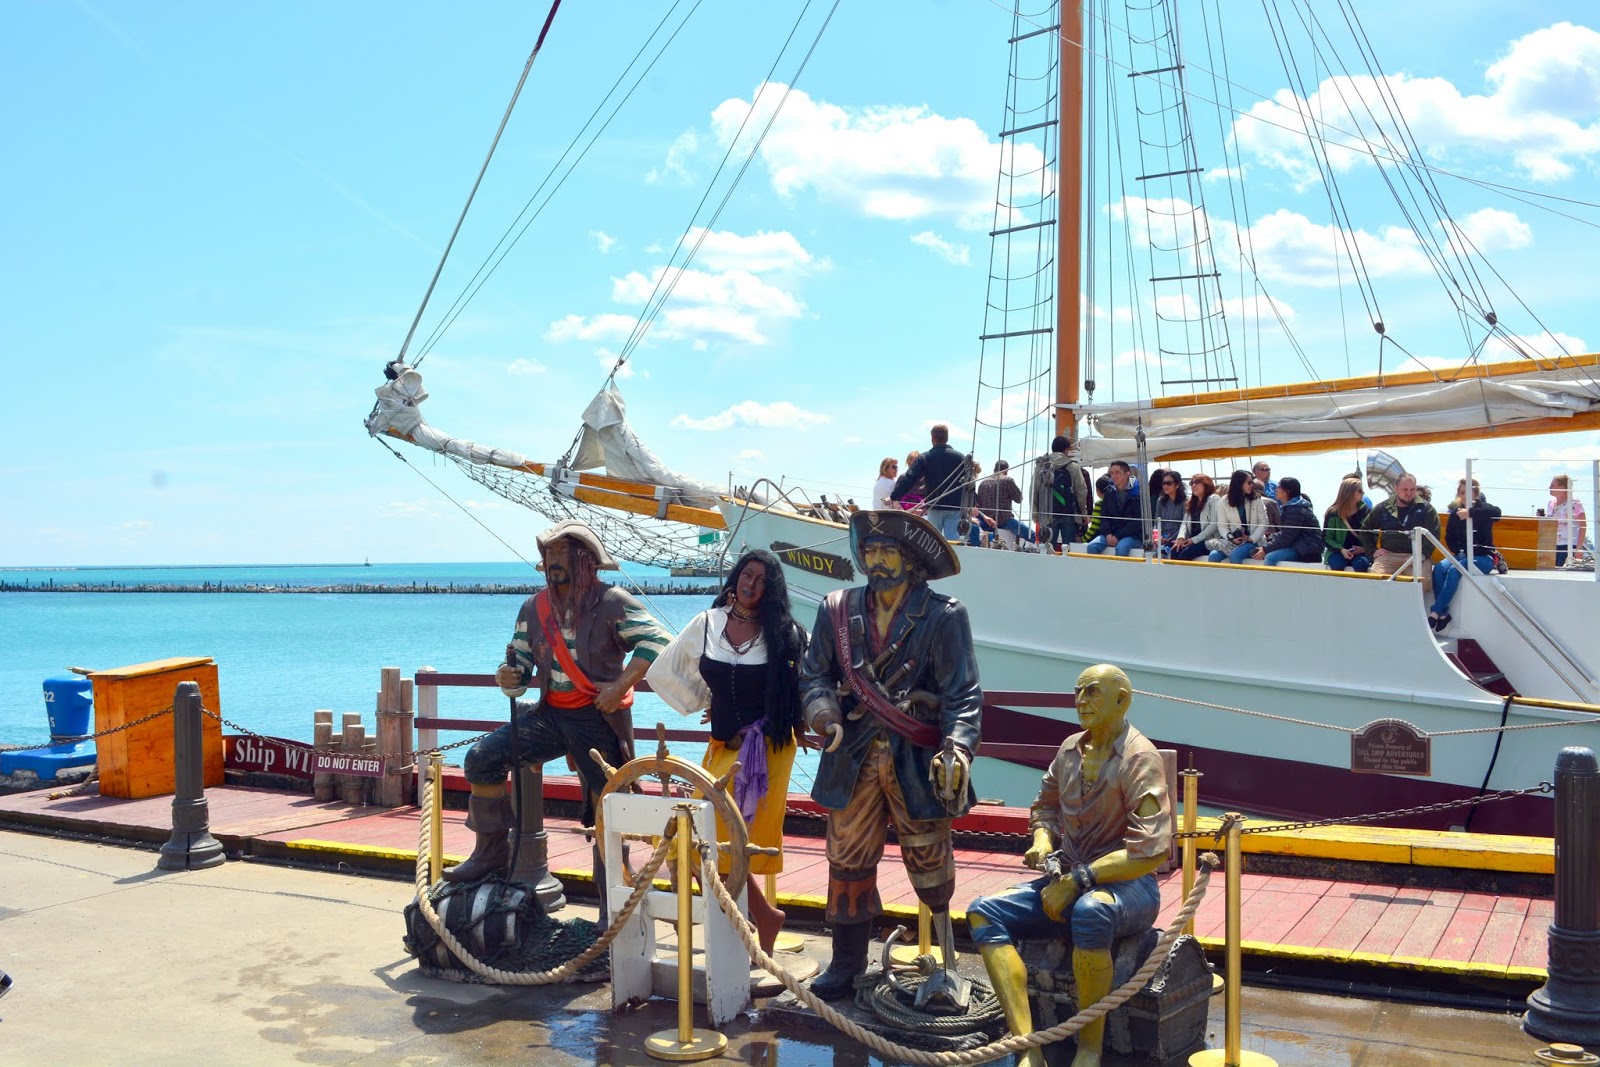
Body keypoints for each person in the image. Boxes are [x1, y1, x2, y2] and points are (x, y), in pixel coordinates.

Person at [799, 509, 982, 1001]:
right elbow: (813, 674)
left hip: (917, 761)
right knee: (847, 859)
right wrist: (823, 715)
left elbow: (962, 694)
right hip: (851, 754)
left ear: (911, 560)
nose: (875, 562)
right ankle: (846, 964)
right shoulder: (835, 608)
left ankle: (947, 965)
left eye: (888, 552)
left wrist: (957, 749)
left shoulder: (944, 615)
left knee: (930, 861)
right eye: (870, 552)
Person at [447, 521, 670, 898]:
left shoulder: (613, 602)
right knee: (481, 759)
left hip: (598, 717)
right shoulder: (534, 608)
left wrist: (620, 687)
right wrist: (509, 676)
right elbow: (520, 661)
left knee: (608, 807)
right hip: (550, 714)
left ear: (586, 560)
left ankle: (611, 899)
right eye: (549, 554)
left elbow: (661, 642)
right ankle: (490, 852)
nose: (553, 562)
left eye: (562, 553)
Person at [967, 664, 1171, 1067]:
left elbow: (1150, 851)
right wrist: (1042, 840)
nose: (1081, 701)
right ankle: (1027, 1045)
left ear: (1121, 699)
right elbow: (1044, 807)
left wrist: (1079, 879)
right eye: (1078, 692)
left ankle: (1089, 1048)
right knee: (983, 912)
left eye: (1093, 692)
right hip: (1070, 876)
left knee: (1091, 913)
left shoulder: (1139, 758)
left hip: (1129, 888)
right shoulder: (1069, 750)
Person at [647, 549, 807, 953]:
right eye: (747, 575)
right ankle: (761, 919)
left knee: (728, 840)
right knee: (701, 837)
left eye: (762, 580)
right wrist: (707, 700)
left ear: (771, 591)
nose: (751, 585)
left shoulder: (785, 633)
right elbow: (665, 670)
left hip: (767, 750)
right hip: (723, 748)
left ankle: (749, 927)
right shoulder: (707, 623)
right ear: (736, 577)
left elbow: (801, 688)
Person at [1428, 479, 1501, 632]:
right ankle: (1444, 614)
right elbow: (1449, 537)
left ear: (1476, 493)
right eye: (1462, 493)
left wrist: (1470, 513)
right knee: (1440, 568)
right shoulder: (1456, 513)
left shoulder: (1483, 509)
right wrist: (1460, 551)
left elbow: (1497, 513)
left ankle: (1435, 611)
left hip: (1483, 557)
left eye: (1468, 492)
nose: (1465, 496)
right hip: (1462, 555)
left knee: (1455, 570)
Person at [1360, 472, 1439, 586]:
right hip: (1388, 556)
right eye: (1405, 489)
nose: (1409, 493)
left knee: (1422, 582)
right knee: (1376, 580)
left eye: (1412, 489)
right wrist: (1372, 551)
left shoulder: (1427, 509)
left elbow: (1434, 534)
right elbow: (1365, 530)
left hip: (1416, 557)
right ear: (1396, 489)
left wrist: (1421, 555)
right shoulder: (1383, 508)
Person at [892, 425, 970, 539]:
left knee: (933, 540)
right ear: (947, 438)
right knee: (952, 541)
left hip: (935, 505)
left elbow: (910, 477)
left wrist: (895, 495)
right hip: (955, 506)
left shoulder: (925, 457)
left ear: (932, 439)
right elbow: (969, 482)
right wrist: (971, 504)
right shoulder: (961, 458)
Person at [1031, 435, 1092, 551]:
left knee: (1047, 548)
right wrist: (1083, 513)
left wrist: (1035, 514)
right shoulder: (1072, 466)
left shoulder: (1041, 466)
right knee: (1068, 548)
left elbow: (1034, 491)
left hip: (1047, 514)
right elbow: (1082, 491)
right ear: (1066, 449)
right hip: (1069, 514)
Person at [1254, 478, 1322, 566]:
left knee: (1270, 557)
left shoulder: (1295, 509)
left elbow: (1287, 537)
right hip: (1300, 545)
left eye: (1278, 488)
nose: (1276, 489)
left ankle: (1270, 580)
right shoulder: (1294, 506)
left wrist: (1266, 549)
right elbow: (1289, 533)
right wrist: (1270, 536)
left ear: (1287, 492)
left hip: (1306, 549)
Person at [1085, 461, 1143, 556]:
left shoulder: (1138, 494)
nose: (1114, 476)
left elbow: (1137, 522)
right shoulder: (1109, 492)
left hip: (1133, 535)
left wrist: (1117, 536)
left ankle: (1121, 571)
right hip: (1111, 534)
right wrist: (1108, 534)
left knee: (1121, 548)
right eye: (1112, 473)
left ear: (1127, 474)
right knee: (1092, 546)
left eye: (1117, 473)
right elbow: (1104, 517)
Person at [1212, 469, 1268, 563]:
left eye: (1252, 482)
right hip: (1232, 540)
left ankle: (1237, 578)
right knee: (1213, 556)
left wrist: (1251, 538)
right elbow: (1222, 526)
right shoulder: (1224, 501)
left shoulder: (1256, 499)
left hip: (1254, 541)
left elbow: (1264, 522)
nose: (1252, 485)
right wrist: (1231, 538)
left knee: (1235, 555)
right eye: (1249, 482)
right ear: (1239, 483)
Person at [1323, 477, 1372, 572]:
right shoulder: (1333, 513)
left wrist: (1363, 549)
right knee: (1337, 564)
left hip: (1360, 552)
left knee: (1362, 564)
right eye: (1360, 491)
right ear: (1350, 492)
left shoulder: (1365, 511)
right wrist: (1341, 549)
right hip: (1337, 551)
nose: (1363, 493)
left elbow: (1373, 535)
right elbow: (1326, 537)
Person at [1172, 473, 1221, 561]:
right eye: (1191, 483)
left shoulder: (1214, 499)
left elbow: (1214, 525)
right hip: (1191, 540)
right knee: (1175, 551)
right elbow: (1184, 523)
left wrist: (1194, 540)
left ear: (1207, 484)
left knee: (1185, 554)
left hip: (1208, 541)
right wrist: (1180, 538)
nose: (1193, 485)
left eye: (1197, 482)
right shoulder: (1191, 502)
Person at [1550, 474, 1588, 567]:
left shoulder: (1574, 503)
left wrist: (1579, 548)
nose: (1549, 487)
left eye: (1552, 486)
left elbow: (1582, 526)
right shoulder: (1550, 503)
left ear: (1562, 488)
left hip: (1568, 546)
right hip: (1551, 546)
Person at [1150, 471, 1186, 557]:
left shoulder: (1185, 502)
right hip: (1162, 537)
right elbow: (1157, 522)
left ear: (1177, 485)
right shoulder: (1160, 501)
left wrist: (1168, 539)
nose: (1165, 486)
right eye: (1163, 483)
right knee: (1148, 552)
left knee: (1162, 553)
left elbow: (1185, 525)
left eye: (1169, 483)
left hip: (1177, 538)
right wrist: (1157, 537)